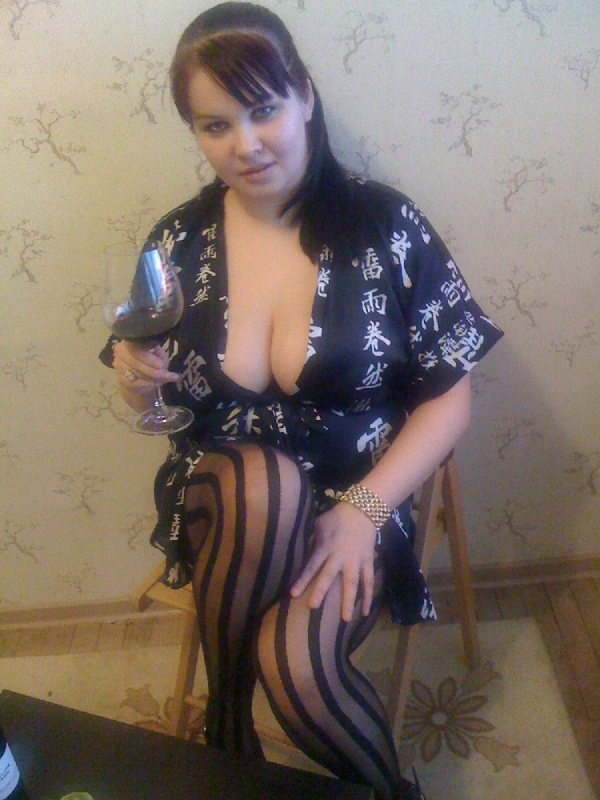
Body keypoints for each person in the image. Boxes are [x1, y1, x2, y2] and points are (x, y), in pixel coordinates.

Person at [101, 3, 503, 798]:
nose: (246, 145)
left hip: (360, 501)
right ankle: (228, 726)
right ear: (194, 131)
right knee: (259, 481)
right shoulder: (177, 242)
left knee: (297, 670)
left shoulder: (387, 225)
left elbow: (450, 402)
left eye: (264, 110)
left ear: (306, 97)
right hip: (225, 506)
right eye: (216, 125)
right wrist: (134, 378)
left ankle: (232, 736)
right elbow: (151, 398)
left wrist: (362, 511)